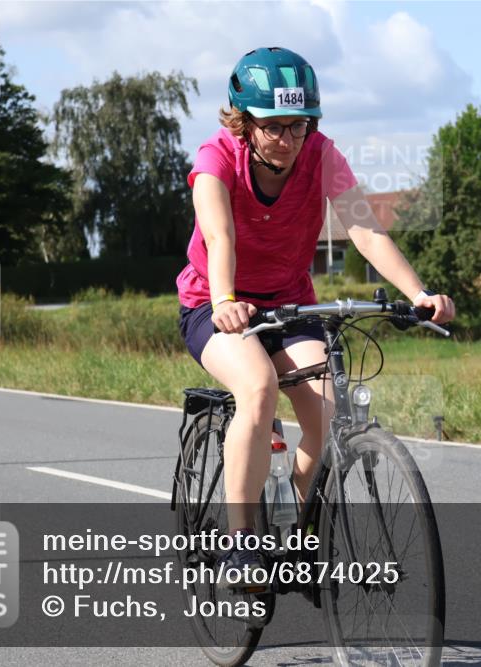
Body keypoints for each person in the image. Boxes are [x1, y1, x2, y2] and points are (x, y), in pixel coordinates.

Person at [175, 47, 455, 584]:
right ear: (244, 121)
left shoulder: (321, 155)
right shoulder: (216, 159)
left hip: (289, 303)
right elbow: (220, 235)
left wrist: (419, 291)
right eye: (273, 126)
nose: (287, 139)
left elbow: (365, 230)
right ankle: (240, 545)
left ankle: (291, 526)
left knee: (329, 416)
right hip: (215, 304)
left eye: (298, 126)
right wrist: (226, 299)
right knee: (256, 387)